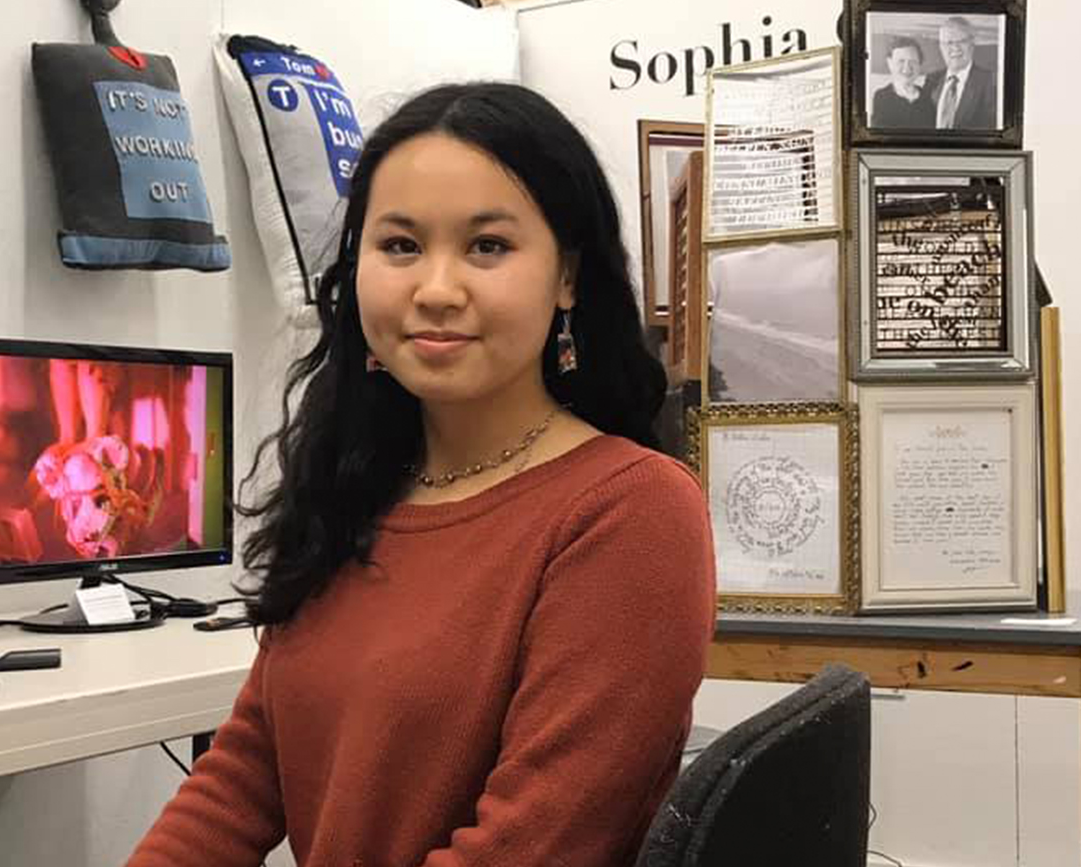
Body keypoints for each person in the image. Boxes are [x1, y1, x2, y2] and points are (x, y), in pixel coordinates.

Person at [125, 83, 716, 867]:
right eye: (400, 246)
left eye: (487, 247)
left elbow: (530, 847)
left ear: (567, 276)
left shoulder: (629, 512)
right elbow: (244, 772)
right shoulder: (355, 489)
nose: (436, 290)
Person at [924, 16, 998, 130]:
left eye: (962, 41)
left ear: (972, 43)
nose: (955, 48)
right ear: (940, 47)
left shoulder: (989, 82)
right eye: (949, 42)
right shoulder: (931, 80)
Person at [871, 36, 935, 129]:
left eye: (913, 61)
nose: (907, 68)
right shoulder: (881, 97)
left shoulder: (929, 97)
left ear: (920, 65)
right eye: (901, 61)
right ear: (890, 63)